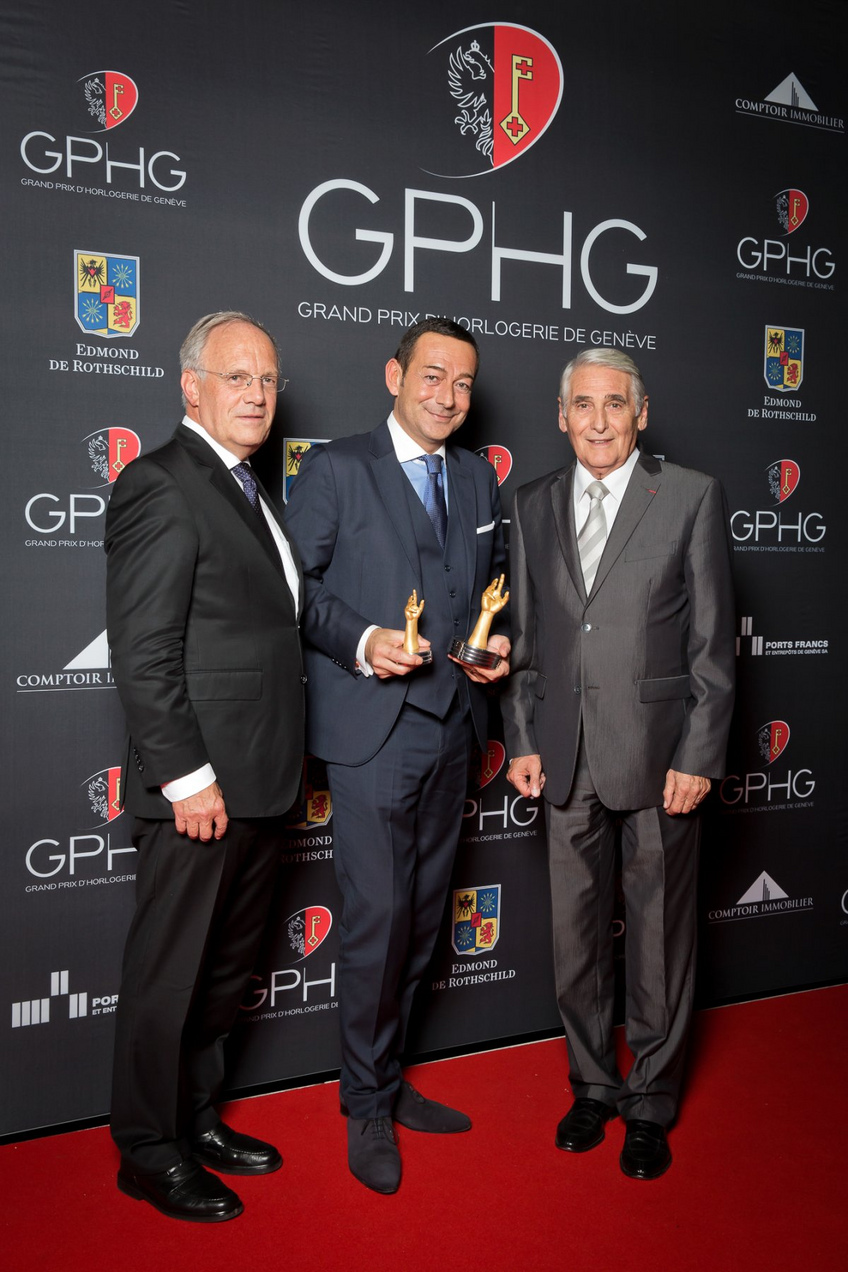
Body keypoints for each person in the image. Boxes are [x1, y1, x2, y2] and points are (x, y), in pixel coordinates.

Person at [284, 318, 510, 1194]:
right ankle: (366, 1104)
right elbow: (296, 590)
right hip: (372, 731)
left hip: (453, 728)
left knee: (421, 923)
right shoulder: (338, 469)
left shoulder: (475, 477)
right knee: (377, 925)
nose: (448, 396)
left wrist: (497, 651)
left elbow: (479, 598)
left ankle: (388, 1076)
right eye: (432, 377)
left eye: (462, 383)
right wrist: (367, 637)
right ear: (394, 375)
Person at [502, 348, 735, 1180]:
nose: (599, 421)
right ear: (561, 415)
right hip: (563, 756)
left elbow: (712, 643)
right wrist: (522, 738)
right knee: (574, 940)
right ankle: (593, 1087)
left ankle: (651, 1100)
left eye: (615, 405)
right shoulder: (530, 503)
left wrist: (699, 754)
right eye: (583, 406)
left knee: (659, 941)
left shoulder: (690, 495)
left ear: (641, 412)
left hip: (660, 760)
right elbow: (524, 641)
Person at [105, 311, 305, 1222]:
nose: (257, 394)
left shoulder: (247, 488)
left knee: (224, 975)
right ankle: (148, 1150)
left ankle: (196, 1118)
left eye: (267, 379)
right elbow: (144, 654)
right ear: (191, 387)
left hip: (263, 782)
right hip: (203, 793)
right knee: (170, 976)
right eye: (237, 378)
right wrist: (188, 780)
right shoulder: (162, 484)